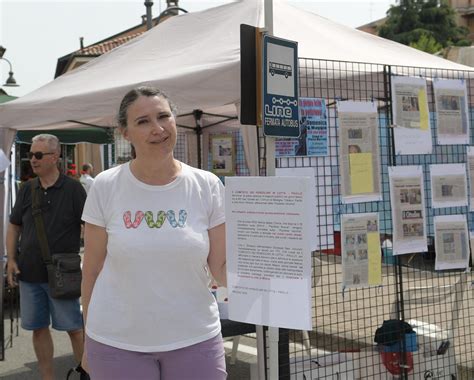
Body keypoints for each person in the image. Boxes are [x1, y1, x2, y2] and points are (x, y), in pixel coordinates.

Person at [81, 86, 227, 379]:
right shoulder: (105, 186)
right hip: (116, 341)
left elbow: (221, 269)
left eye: (164, 116)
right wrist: (88, 338)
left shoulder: (207, 185)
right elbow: (92, 271)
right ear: (125, 133)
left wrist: (276, 272)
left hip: (195, 336)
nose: (158, 128)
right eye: (143, 121)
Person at [6, 134, 87, 380]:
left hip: (63, 274)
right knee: (38, 328)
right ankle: (47, 378)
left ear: (55, 157)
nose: (32, 159)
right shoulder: (27, 189)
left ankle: (88, 374)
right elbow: (14, 226)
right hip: (29, 273)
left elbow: (91, 228)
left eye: (38, 155)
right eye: (30, 154)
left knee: (74, 328)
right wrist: (11, 259)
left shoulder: (74, 189)